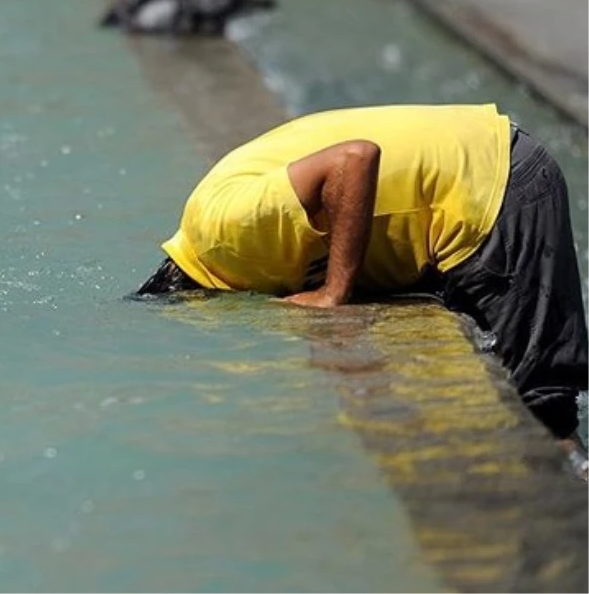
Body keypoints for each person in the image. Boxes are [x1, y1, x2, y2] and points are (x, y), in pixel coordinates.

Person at [138, 104, 589, 461]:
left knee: (540, 414)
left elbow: (355, 157)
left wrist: (334, 291)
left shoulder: (224, 232)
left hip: (492, 188)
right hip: (473, 176)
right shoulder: (220, 238)